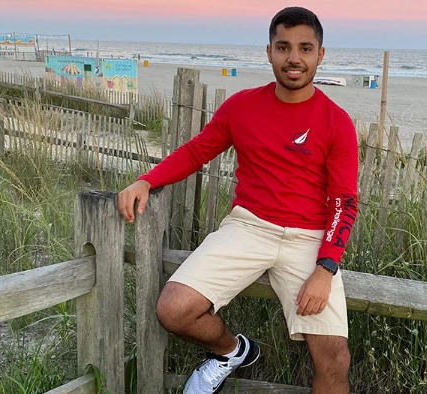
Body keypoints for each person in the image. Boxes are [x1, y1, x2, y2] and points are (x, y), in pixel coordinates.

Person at [117, 6, 358, 394]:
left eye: (305, 48)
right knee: (173, 309)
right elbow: (196, 153)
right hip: (249, 226)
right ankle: (232, 351)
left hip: (309, 239)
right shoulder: (243, 107)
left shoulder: (336, 121)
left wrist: (325, 270)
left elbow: (344, 201)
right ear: (269, 52)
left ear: (320, 55)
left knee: (335, 359)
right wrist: (147, 180)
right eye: (283, 47)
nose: (294, 57)